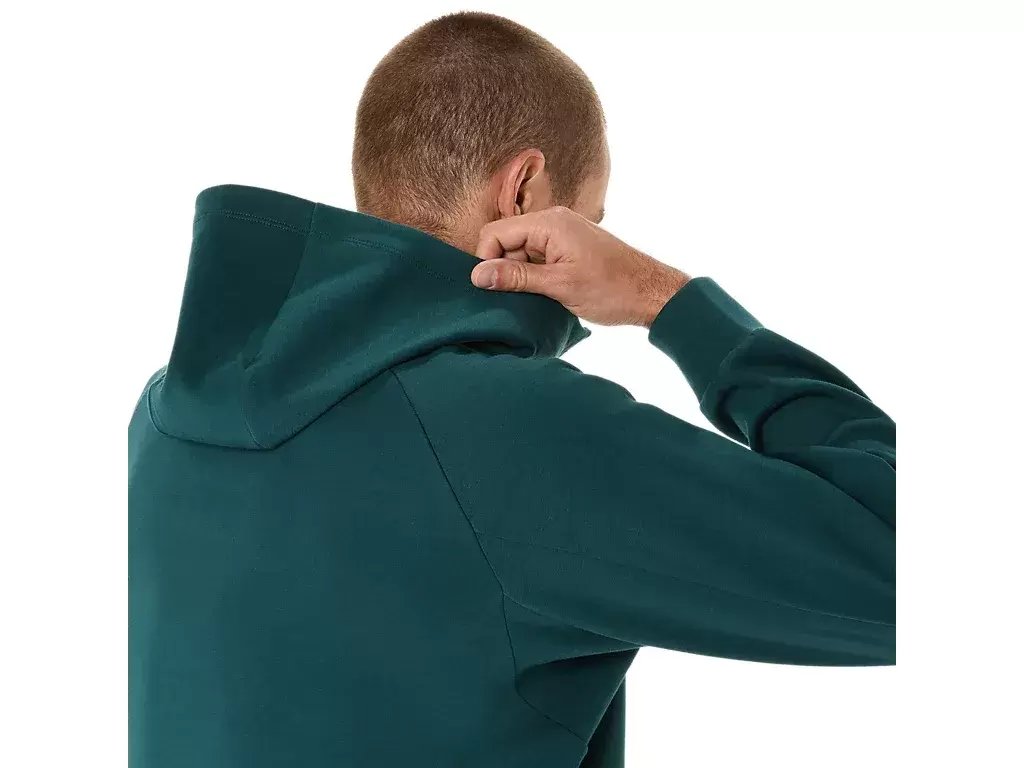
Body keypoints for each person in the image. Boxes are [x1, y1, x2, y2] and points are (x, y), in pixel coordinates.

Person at [128, 11, 895, 768]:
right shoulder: (509, 431)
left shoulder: (166, 419)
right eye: (592, 217)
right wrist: (664, 298)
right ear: (523, 191)